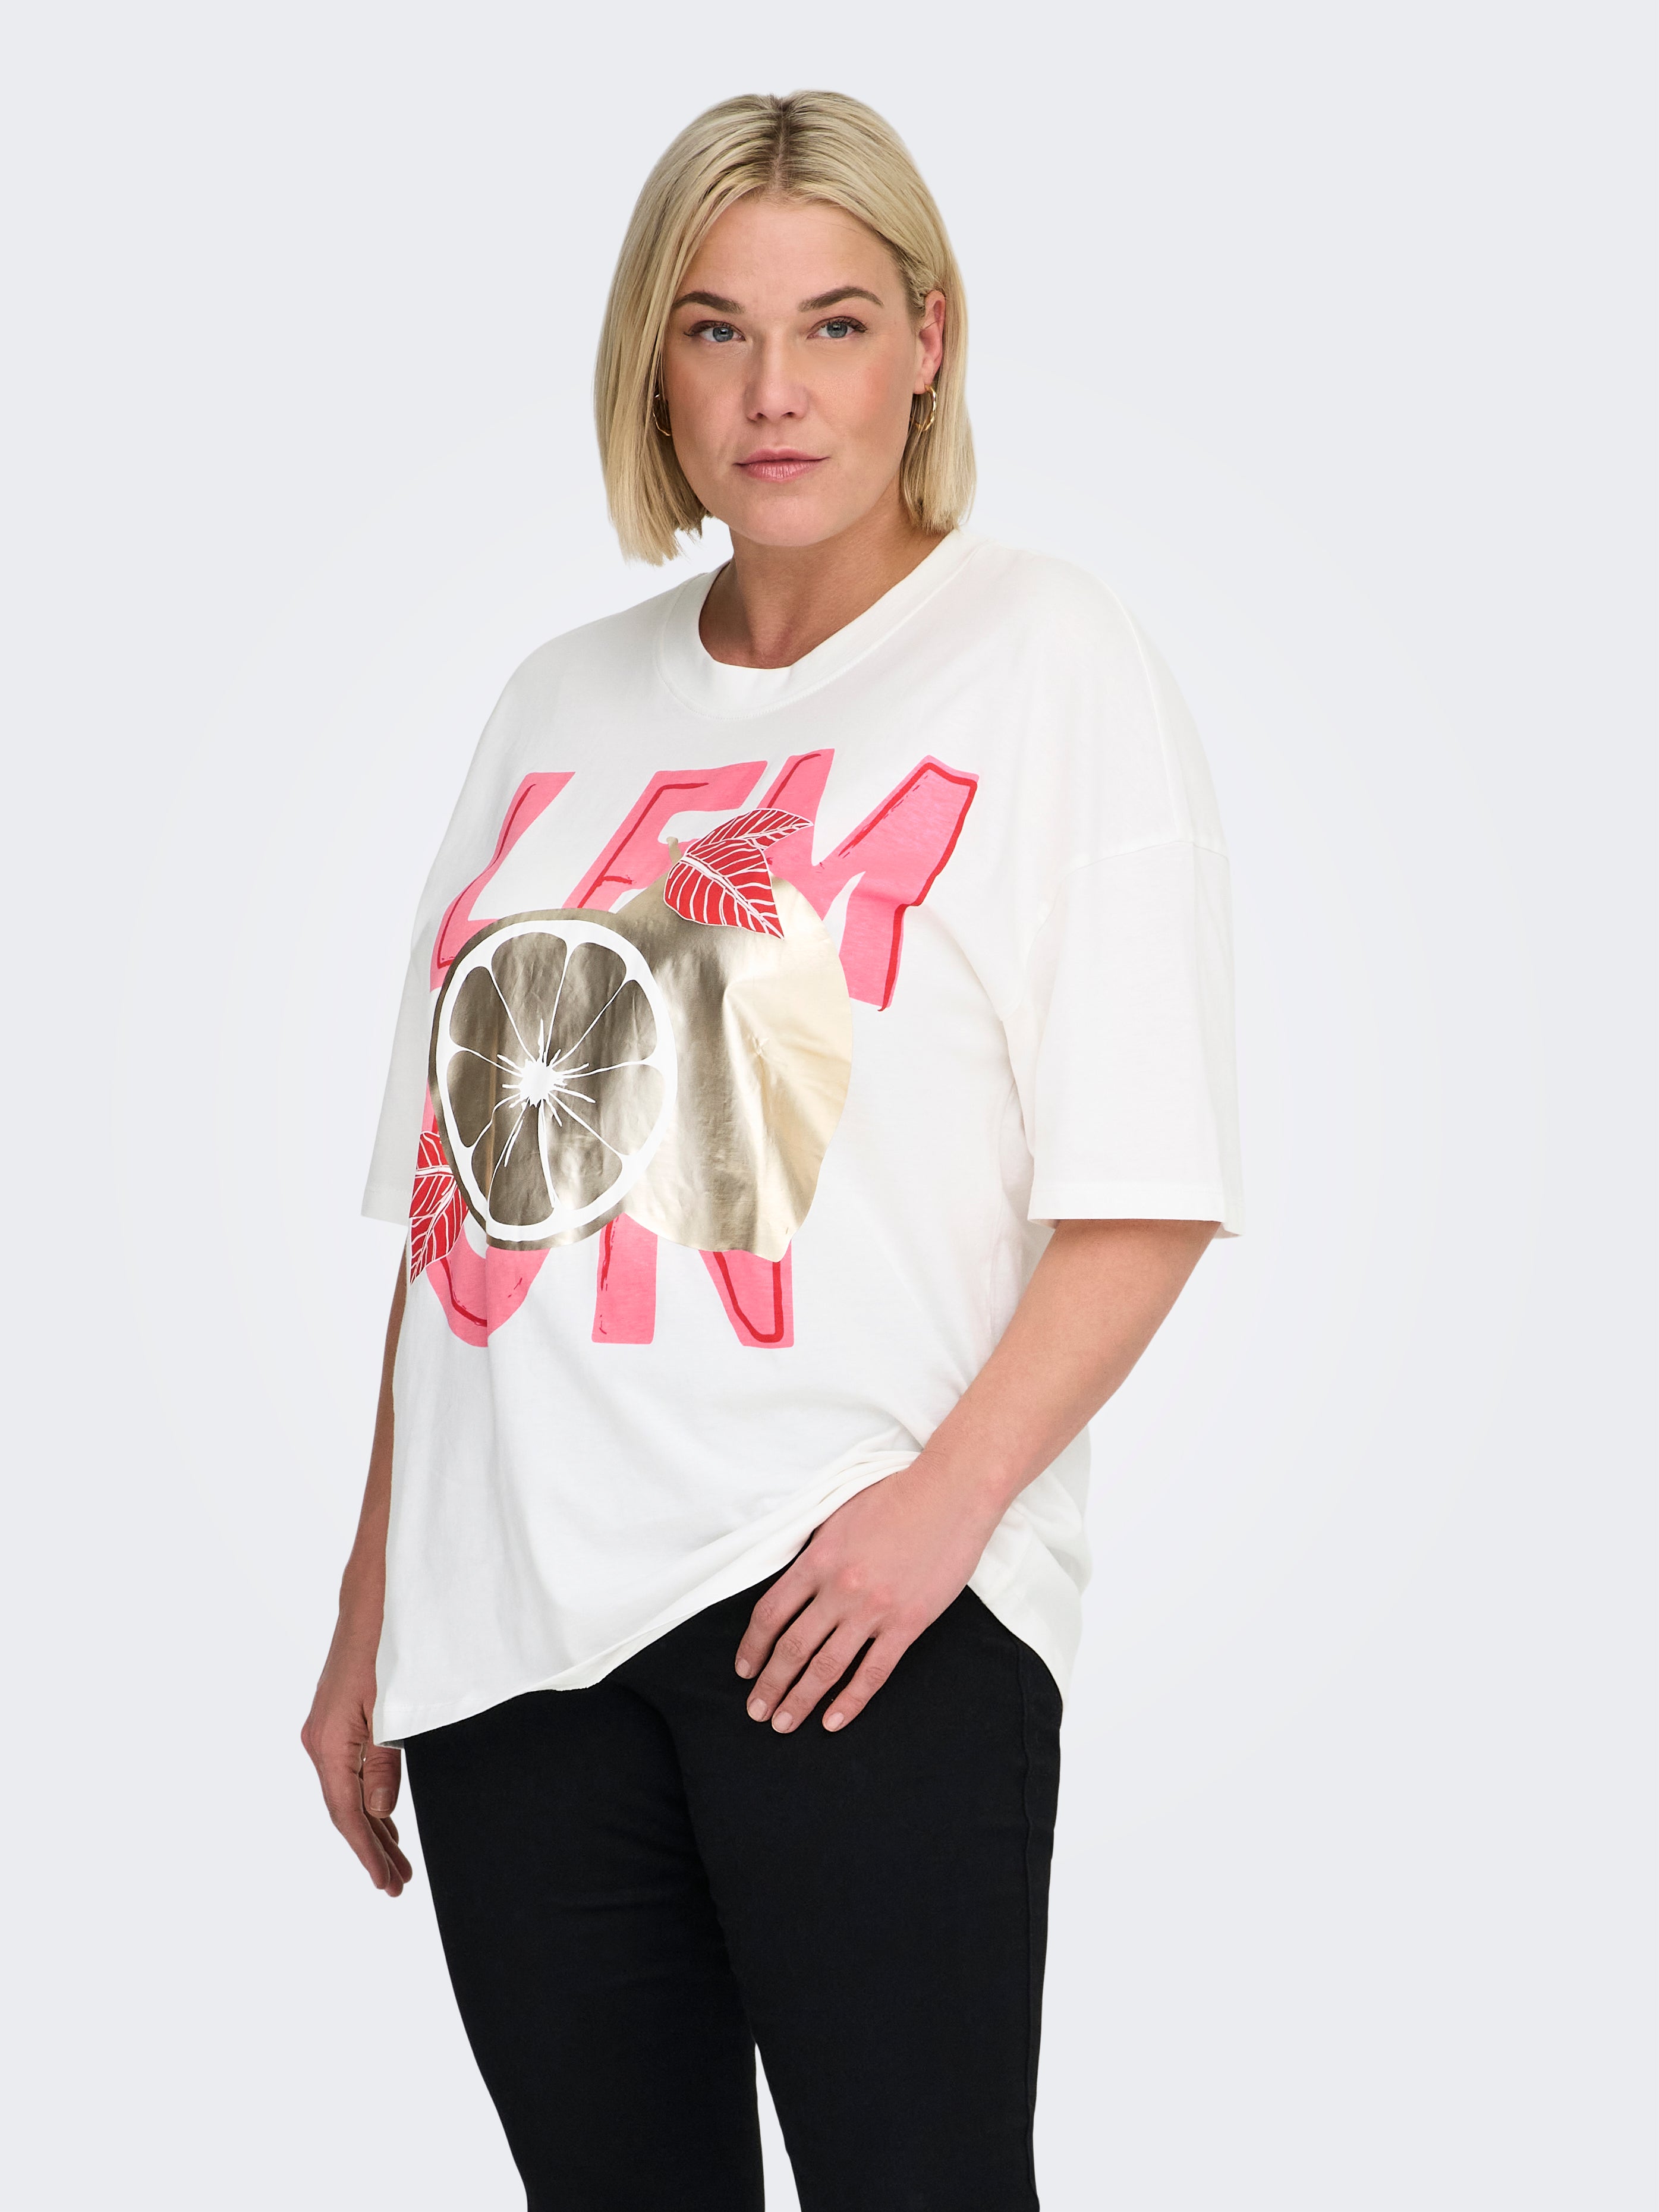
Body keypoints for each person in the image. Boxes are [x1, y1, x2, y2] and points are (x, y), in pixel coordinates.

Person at [303, 88, 1243, 2212]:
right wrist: (375, 1605)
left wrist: (942, 1515)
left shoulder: (1042, 654)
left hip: (846, 1607)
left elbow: (1147, 1183)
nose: (774, 389)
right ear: (655, 360)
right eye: (717, 327)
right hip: (512, 1642)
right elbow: (460, 1211)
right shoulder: (556, 703)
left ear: (930, 341)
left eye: (833, 323)